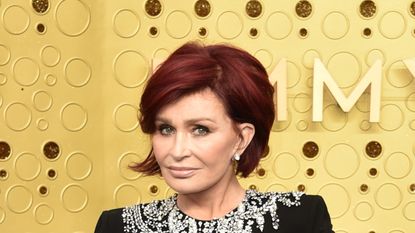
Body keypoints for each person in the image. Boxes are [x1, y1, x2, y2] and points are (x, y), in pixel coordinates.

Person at [94, 42, 334, 233]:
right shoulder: (117, 227)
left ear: (242, 138)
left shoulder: (302, 219)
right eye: (166, 129)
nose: (177, 151)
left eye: (200, 129)